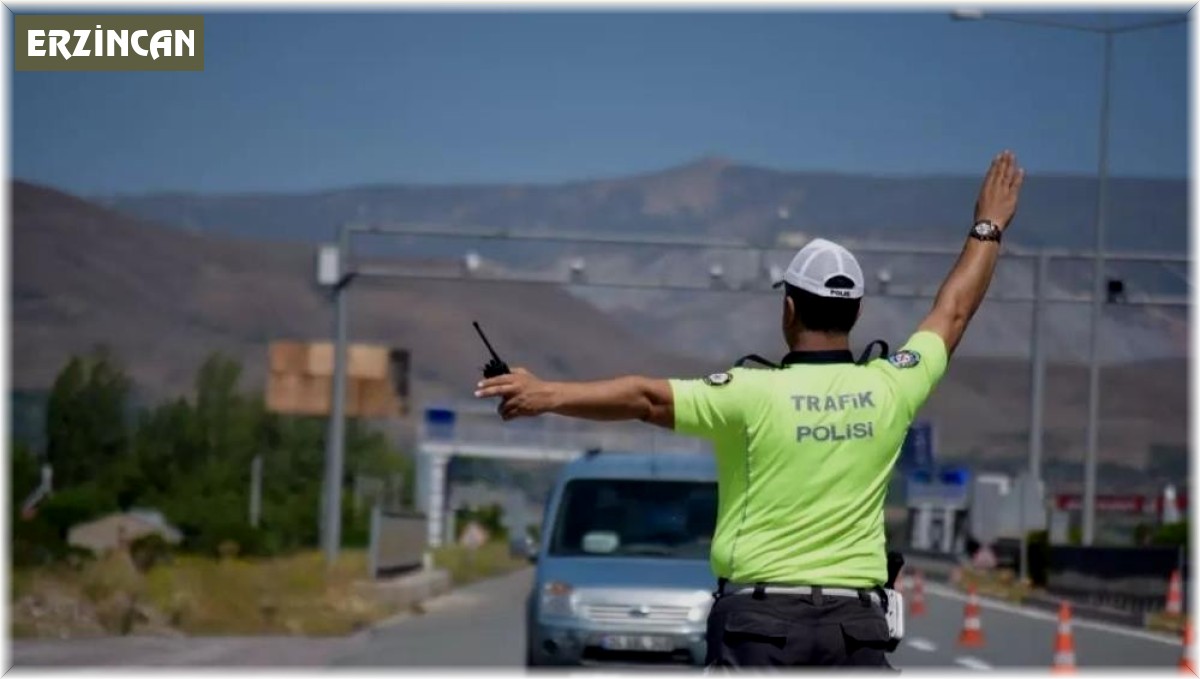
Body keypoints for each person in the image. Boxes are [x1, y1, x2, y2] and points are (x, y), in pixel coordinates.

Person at [475, 151, 1024, 668]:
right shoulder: (892, 386)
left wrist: (546, 394)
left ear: (789, 308)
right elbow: (952, 312)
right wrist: (988, 226)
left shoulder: (748, 393)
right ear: (857, 313)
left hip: (760, 627)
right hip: (856, 629)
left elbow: (645, 398)